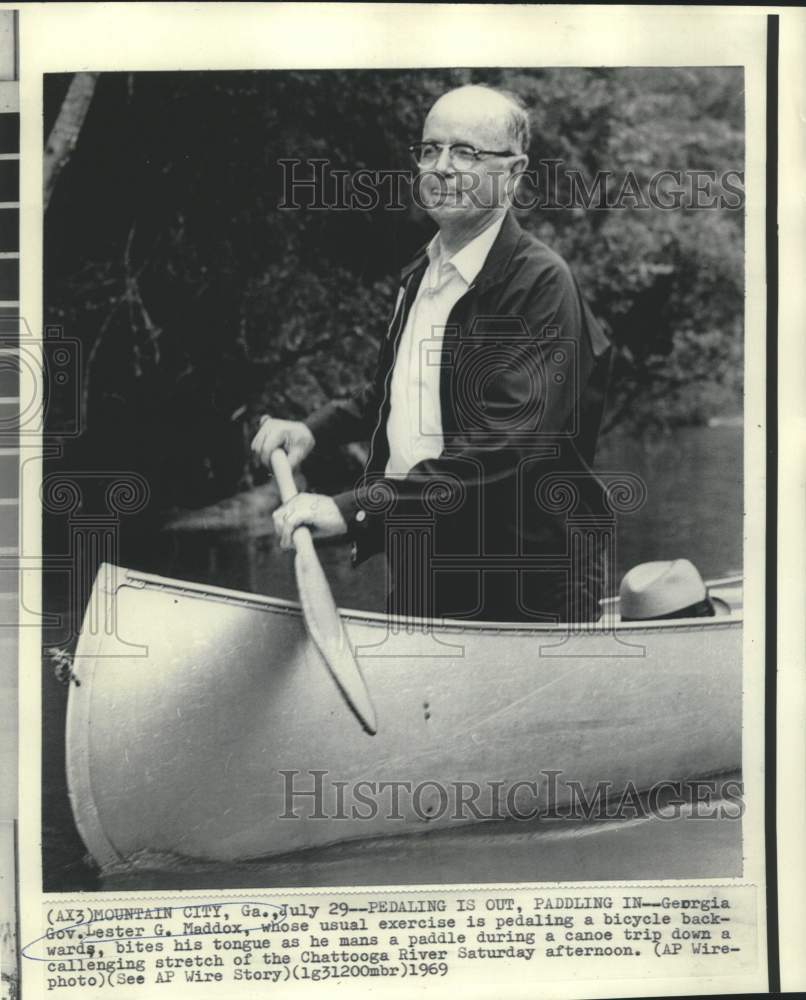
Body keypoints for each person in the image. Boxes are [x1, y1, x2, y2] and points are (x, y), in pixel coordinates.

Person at [252, 84, 612, 623]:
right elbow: (396, 393)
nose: (440, 167)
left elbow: (502, 452)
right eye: (430, 150)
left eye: (465, 152)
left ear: (513, 174)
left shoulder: (540, 286)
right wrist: (314, 429)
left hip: (519, 589)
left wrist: (352, 509)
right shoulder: (423, 272)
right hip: (422, 564)